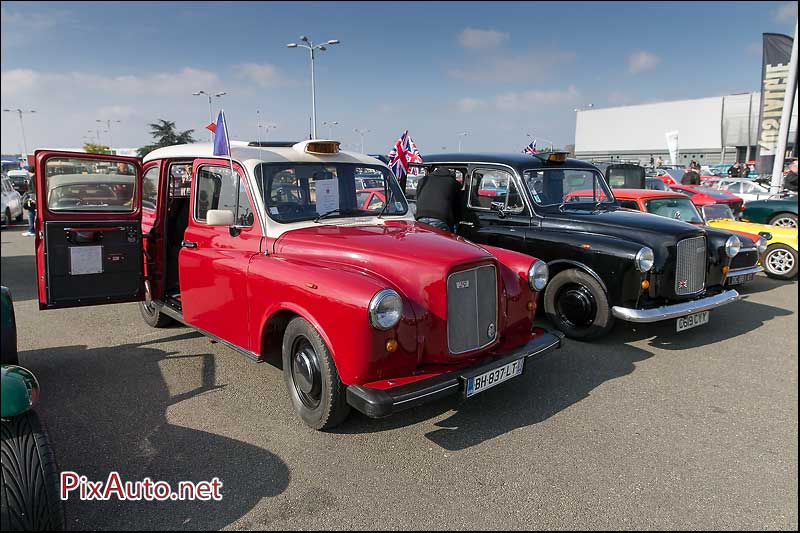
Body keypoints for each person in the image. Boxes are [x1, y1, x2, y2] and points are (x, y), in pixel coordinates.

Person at [414, 167, 462, 232]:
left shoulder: (424, 180)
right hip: (441, 218)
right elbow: (457, 206)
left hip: (421, 216)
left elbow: (417, 197)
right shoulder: (454, 183)